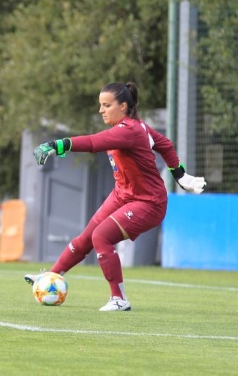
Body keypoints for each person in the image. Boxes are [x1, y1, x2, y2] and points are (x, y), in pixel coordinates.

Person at [27, 82, 206, 312]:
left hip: (148, 202)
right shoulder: (136, 127)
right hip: (123, 194)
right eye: (100, 105)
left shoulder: (129, 130)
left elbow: (93, 143)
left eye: (106, 105)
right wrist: (180, 176)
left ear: (123, 106)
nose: (101, 110)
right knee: (86, 238)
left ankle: (119, 299)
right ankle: (50, 278)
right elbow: (166, 145)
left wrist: (56, 145)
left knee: (101, 237)